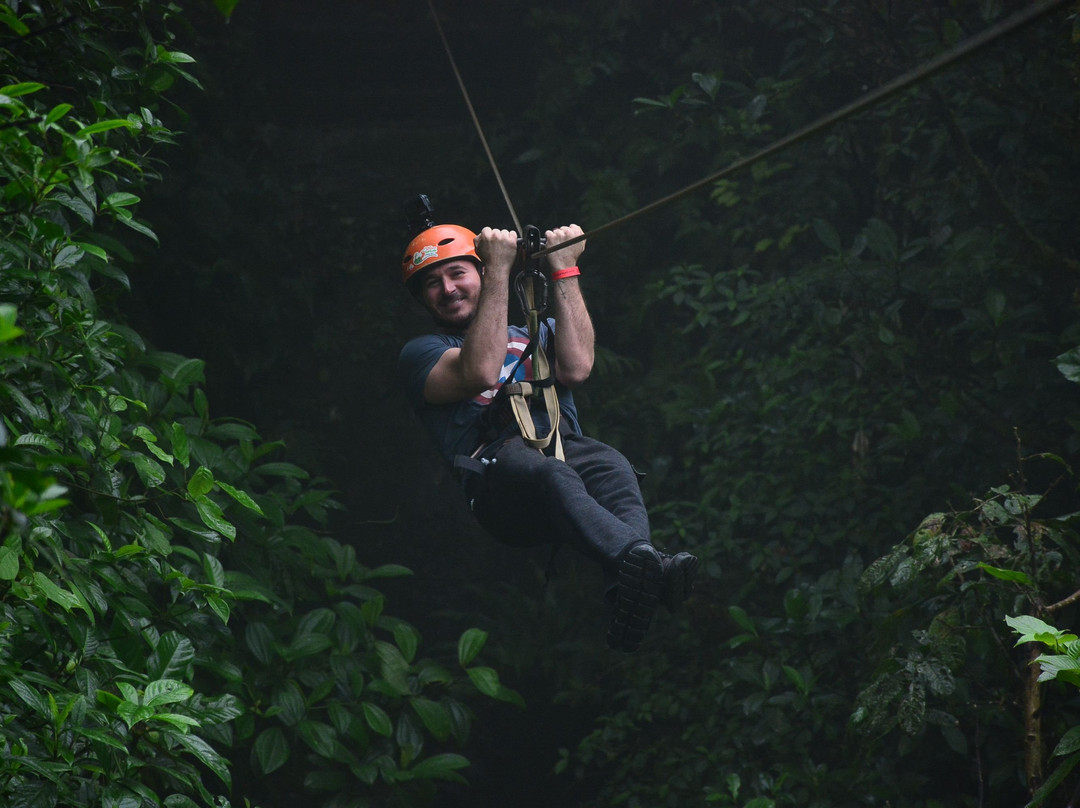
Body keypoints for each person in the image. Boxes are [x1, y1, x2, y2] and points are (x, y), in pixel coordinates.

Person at [397, 217, 697, 652]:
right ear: (422, 299)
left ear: (476, 272)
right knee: (551, 473)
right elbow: (481, 371)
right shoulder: (423, 354)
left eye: (457, 272)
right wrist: (500, 269)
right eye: (432, 283)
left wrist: (563, 266)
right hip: (501, 483)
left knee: (611, 464)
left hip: (561, 455)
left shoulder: (536, 333)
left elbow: (577, 368)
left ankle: (636, 577)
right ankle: (639, 562)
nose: (447, 288)